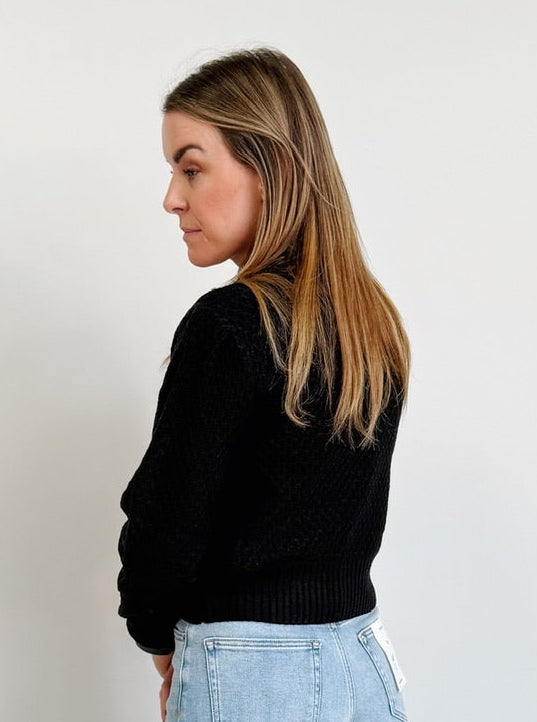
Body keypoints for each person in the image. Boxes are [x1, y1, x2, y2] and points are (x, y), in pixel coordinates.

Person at [117, 47, 411, 722]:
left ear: (270, 166)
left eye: (192, 168)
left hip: (251, 672)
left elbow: (168, 523)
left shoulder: (229, 325)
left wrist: (158, 636)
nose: (172, 198)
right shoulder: (372, 327)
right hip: (362, 662)